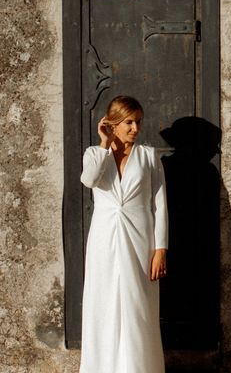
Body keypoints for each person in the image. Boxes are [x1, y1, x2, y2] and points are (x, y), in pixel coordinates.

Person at [79, 95, 168, 373]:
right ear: (113, 124)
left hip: (141, 239)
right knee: (103, 304)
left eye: (138, 122)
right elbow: (89, 180)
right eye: (128, 122)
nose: (135, 128)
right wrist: (104, 145)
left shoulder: (148, 156)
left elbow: (160, 204)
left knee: (139, 306)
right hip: (104, 240)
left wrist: (161, 249)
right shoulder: (94, 154)